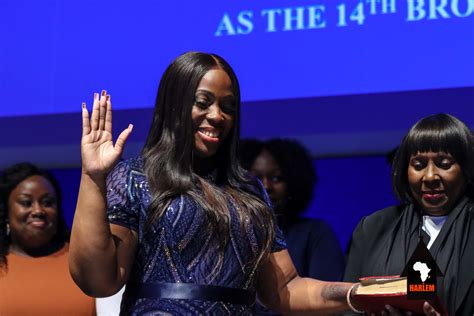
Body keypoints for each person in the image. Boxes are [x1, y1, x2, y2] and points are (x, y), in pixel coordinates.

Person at [69, 51, 360, 315]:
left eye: (228, 107)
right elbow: (98, 281)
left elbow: (286, 290)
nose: (217, 116)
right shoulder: (136, 177)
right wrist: (93, 178)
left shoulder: (249, 190)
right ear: (175, 105)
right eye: (203, 102)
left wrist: (358, 294)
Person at [344, 113, 474, 315]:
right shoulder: (373, 227)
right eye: (419, 165)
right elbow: (349, 308)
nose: (430, 176)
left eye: (445, 164)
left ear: (467, 169)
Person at [239, 138, 344, 281]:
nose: (266, 186)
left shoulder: (314, 233)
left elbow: (326, 295)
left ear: (294, 183)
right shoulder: (230, 235)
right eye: (256, 179)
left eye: (276, 178)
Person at [0, 162, 95, 315]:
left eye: (48, 203)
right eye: (26, 203)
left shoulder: (83, 261)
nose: (38, 210)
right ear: (6, 213)